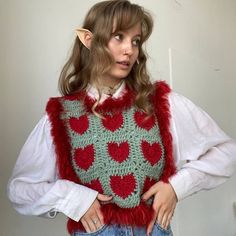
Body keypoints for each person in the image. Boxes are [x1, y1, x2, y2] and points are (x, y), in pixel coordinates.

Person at [7, 0, 236, 236]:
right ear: (89, 40)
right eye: (118, 37)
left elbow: (227, 151)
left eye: (135, 41)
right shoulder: (62, 115)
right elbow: (20, 189)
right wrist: (74, 199)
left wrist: (176, 187)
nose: (129, 49)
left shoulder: (161, 103)